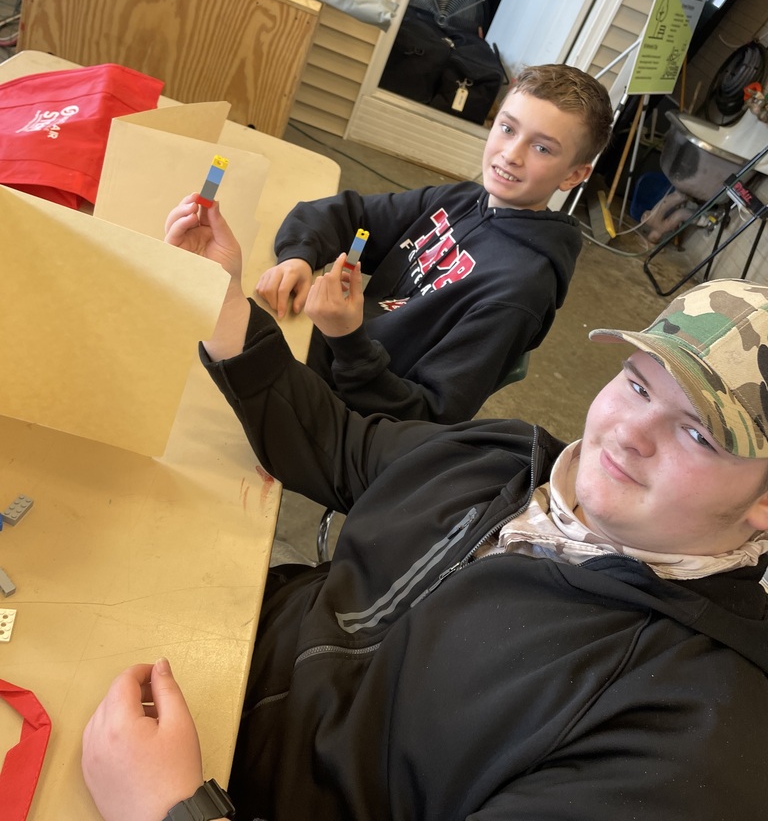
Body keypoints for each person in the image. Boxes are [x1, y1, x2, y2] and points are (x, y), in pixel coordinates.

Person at [81, 203, 768, 821]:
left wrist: (169, 810)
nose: (627, 433)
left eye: (697, 434)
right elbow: (343, 446)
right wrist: (222, 300)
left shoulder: (690, 733)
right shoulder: (511, 459)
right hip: (206, 655)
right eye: (639, 384)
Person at [255, 64, 614, 423]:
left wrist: (347, 341)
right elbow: (353, 216)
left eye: (541, 148)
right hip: (326, 345)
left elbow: (430, 415)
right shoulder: (460, 199)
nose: (511, 154)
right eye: (507, 129)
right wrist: (299, 257)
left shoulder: (520, 290)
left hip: (343, 414)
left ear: (573, 175)